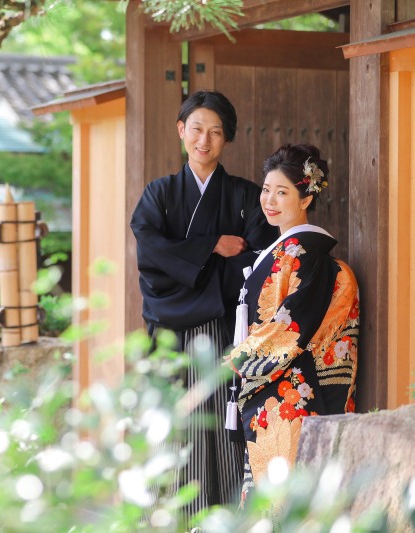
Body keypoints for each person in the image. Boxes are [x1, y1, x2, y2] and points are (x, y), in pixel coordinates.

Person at [130, 90, 277, 515]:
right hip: (171, 329)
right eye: (196, 129)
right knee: (178, 422)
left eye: (215, 132)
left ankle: (230, 514)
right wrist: (211, 245)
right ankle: (174, 514)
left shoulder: (247, 196)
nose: (204, 140)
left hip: (226, 327)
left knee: (224, 417)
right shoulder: (159, 194)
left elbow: (256, 264)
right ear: (181, 131)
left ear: (226, 139)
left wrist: (195, 263)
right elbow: (151, 257)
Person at [226, 143, 360, 504]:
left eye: (282, 192)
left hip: (288, 392)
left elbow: (292, 322)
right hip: (273, 390)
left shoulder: (306, 252)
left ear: (305, 198)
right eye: (266, 189)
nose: (269, 200)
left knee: (282, 496)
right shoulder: (285, 248)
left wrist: (242, 360)